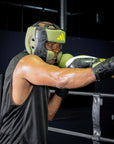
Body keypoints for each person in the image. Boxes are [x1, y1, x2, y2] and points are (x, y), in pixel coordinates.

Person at [0, 21, 114, 144]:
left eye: (59, 45)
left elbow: (48, 114)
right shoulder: (27, 62)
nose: (56, 50)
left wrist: (62, 91)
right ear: (35, 42)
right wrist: (107, 67)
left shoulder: (41, 71)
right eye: (51, 44)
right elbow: (60, 78)